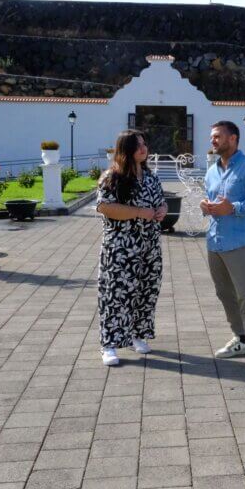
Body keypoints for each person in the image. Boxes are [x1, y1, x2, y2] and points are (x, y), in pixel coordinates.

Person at [201, 120, 245, 371]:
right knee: (224, 294)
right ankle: (239, 338)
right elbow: (213, 199)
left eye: (218, 136)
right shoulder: (211, 170)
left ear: (233, 138)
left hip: (239, 242)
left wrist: (235, 208)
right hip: (214, 241)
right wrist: (205, 206)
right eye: (212, 136)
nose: (213, 140)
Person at [96, 129, 167, 366]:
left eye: (144, 144)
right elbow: (105, 207)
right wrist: (138, 212)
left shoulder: (151, 177)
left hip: (149, 247)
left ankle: (139, 335)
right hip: (120, 248)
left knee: (146, 292)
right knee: (116, 295)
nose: (143, 148)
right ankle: (109, 345)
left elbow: (162, 202)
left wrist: (161, 211)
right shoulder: (111, 177)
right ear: (125, 150)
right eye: (137, 145)